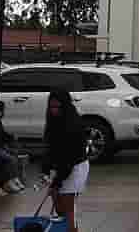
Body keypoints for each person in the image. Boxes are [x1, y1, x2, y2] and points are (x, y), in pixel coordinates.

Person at [42, 88, 88, 232]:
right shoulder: (53, 122)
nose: (54, 110)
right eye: (51, 107)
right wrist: (46, 171)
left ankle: (71, 229)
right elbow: (50, 148)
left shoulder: (73, 124)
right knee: (59, 207)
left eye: (57, 107)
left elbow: (69, 157)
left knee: (68, 210)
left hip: (75, 166)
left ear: (64, 105)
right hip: (61, 166)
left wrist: (57, 181)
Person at [0, 102, 25, 195]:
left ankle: (13, 179)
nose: (3, 112)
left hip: (0, 147)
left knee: (14, 154)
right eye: (1, 110)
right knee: (10, 159)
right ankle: (9, 181)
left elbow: (3, 134)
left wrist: (11, 138)